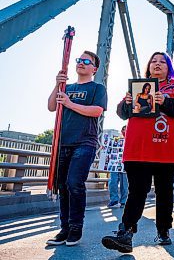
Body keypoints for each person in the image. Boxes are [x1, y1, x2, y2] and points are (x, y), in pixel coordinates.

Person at [101, 52, 174, 253]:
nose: (157, 64)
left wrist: (165, 102)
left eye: (162, 62)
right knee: (137, 192)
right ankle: (125, 233)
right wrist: (125, 103)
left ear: (169, 67)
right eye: (154, 61)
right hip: (137, 148)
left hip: (165, 149)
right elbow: (122, 114)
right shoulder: (137, 87)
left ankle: (163, 230)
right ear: (148, 66)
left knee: (164, 193)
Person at [46, 51, 107, 246]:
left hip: (84, 142)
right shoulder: (67, 87)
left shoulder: (97, 88)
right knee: (62, 185)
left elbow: (96, 111)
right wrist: (57, 84)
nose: (81, 63)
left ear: (94, 69)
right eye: (79, 60)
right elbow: (50, 107)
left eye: (86, 61)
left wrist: (70, 103)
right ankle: (64, 229)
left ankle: (75, 228)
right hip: (63, 142)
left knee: (74, 183)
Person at [107, 125, 129, 208]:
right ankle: (114, 200)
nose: (124, 131)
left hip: (126, 165)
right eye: (123, 129)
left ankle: (123, 201)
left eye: (126, 129)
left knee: (125, 185)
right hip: (115, 164)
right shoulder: (117, 140)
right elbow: (109, 148)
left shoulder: (132, 140)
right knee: (112, 182)